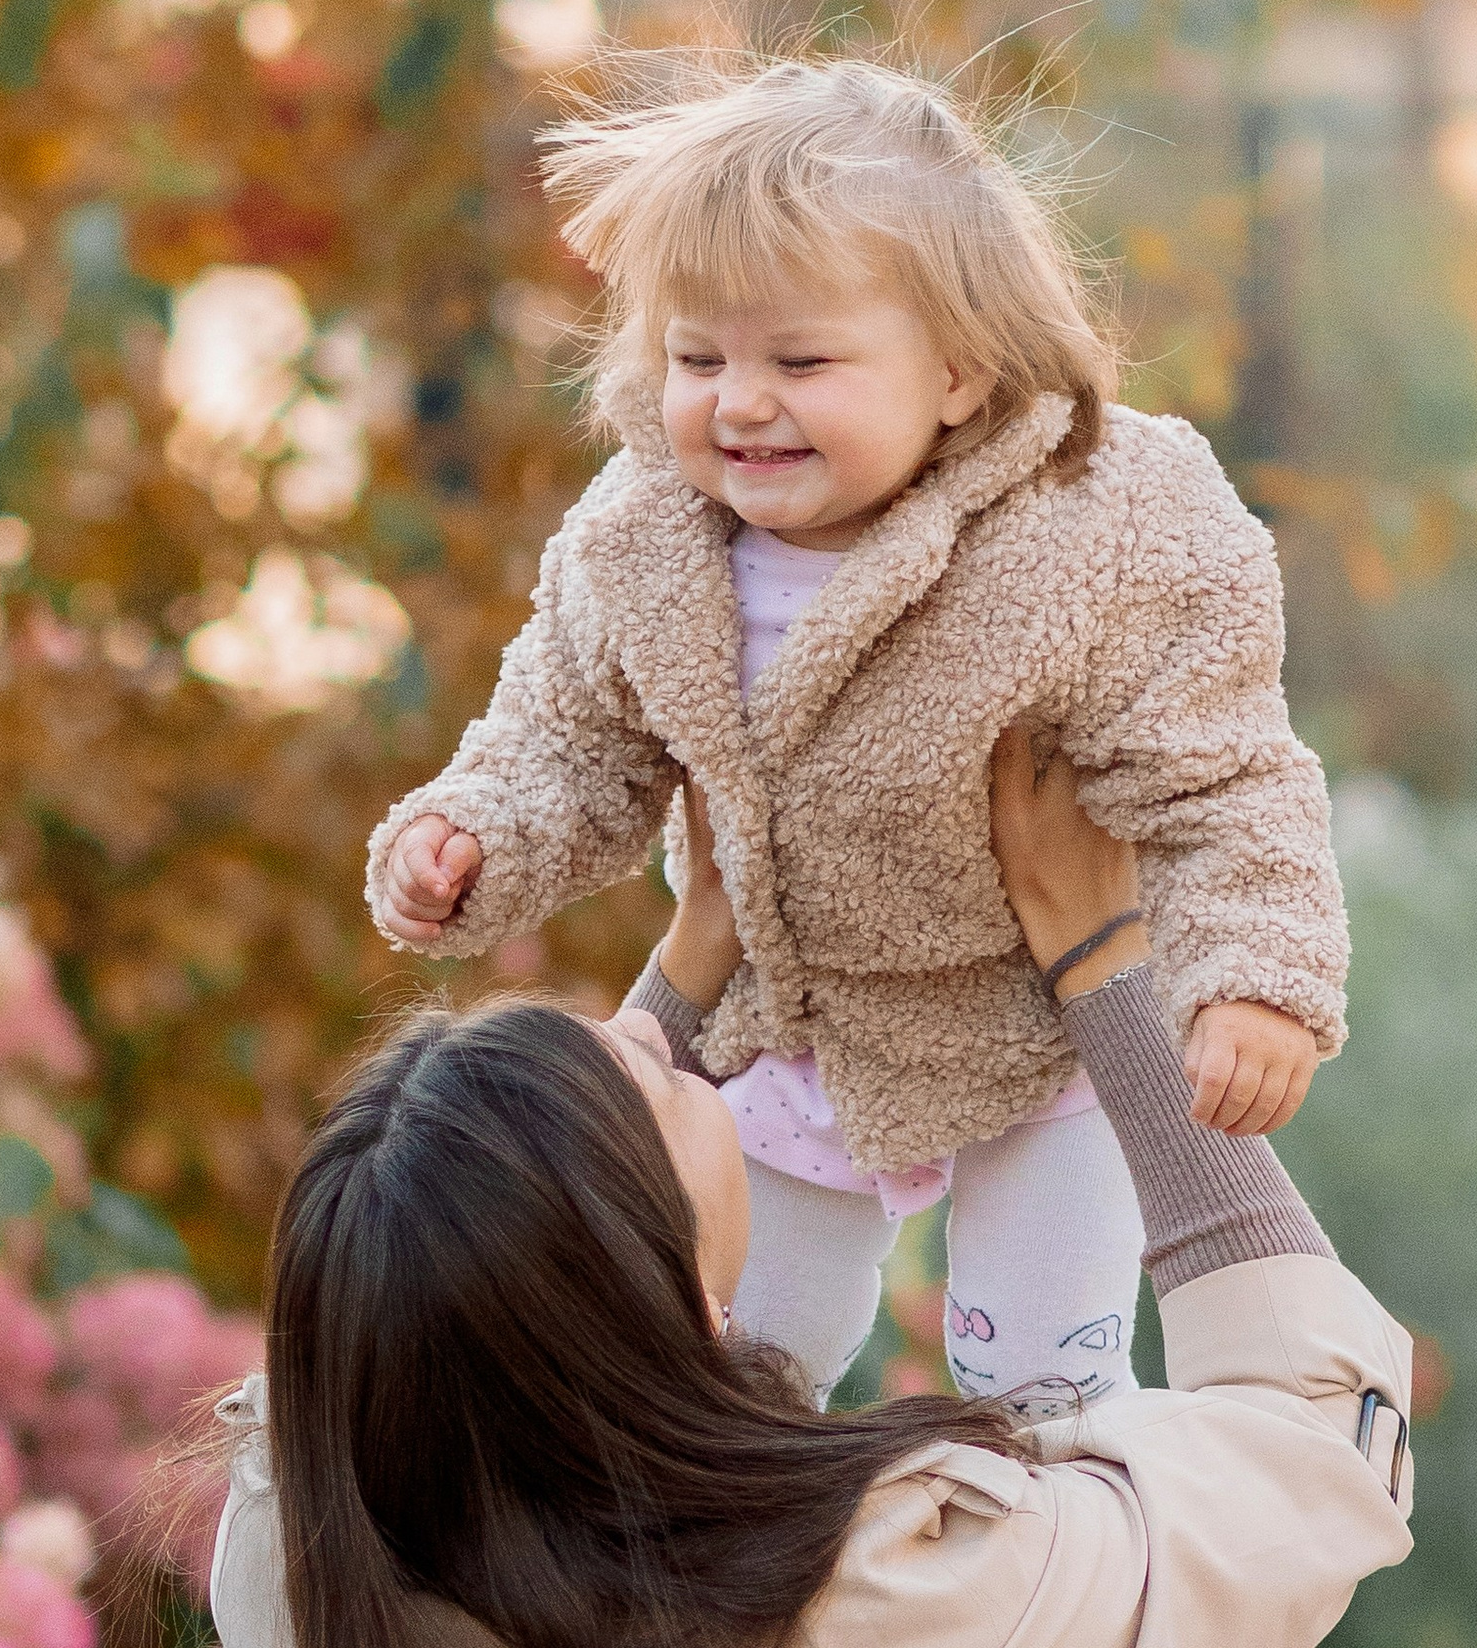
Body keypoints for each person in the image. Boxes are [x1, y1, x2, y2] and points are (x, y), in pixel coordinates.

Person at [367, 55, 1347, 1405]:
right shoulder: (643, 541)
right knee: (727, 1378)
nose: (739, 401)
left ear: (957, 370)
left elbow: (1224, 779)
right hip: (784, 1025)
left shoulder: (1093, 526)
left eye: (800, 360)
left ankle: (1040, 1480)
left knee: (1046, 1399)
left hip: (1032, 1037)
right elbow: (564, 739)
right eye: (697, 358)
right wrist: (471, 835)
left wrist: (1255, 980)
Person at [209, 731, 1411, 1648]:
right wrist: (1105, 964)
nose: (658, 1033)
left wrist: (695, 953)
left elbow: (431, 1328)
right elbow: (1309, 1479)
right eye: (658, 1077)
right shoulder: (888, 1591)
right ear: (685, 1304)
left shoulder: (295, 1569)